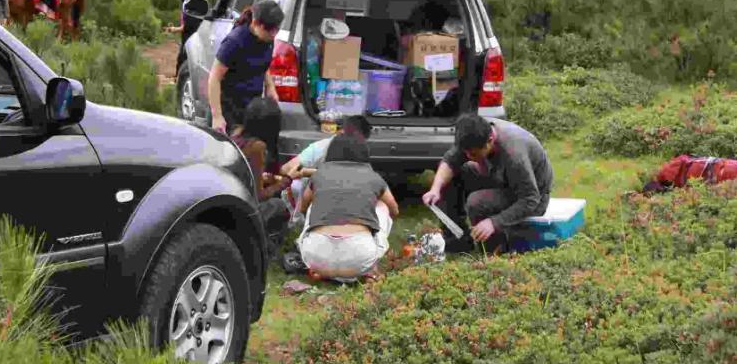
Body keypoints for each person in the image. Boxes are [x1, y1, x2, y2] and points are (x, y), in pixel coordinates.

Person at [421, 114, 554, 252]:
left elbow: (530, 199)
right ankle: (457, 240)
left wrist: (493, 222)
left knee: (477, 202)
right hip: (501, 178)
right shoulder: (472, 133)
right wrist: (435, 189)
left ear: (490, 140)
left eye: (474, 154)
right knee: (449, 177)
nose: (468, 157)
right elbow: (450, 161)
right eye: (466, 153)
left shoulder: (514, 155)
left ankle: (494, 250)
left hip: (534, 197)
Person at [295, 132, 399, 282]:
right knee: (382, 205)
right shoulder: (374, 177)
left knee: (313, 203)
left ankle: (324, 268)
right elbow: (394, 209)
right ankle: (369, 270)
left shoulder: (319, 175)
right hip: (360, 258)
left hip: (315, 259)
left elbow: (302, 208)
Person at [229, 97, 293, 259]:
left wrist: (266, 180)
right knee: (279, 205)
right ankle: (270, 252)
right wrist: (284, 182)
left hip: (229, 202)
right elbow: (258, 196)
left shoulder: (235, 135)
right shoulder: (257, 147)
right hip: (242, 211)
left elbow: (245, 176)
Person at [208, 0, 284, 134]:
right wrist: (217, 116)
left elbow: (263, 65)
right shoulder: (234, 41)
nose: (273, 34)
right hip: (229, 109)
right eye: (269, 30)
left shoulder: (267, 39)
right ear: (255, 23)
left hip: (251, 108)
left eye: (276, 30)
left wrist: (270, 87)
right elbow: (214, 78)